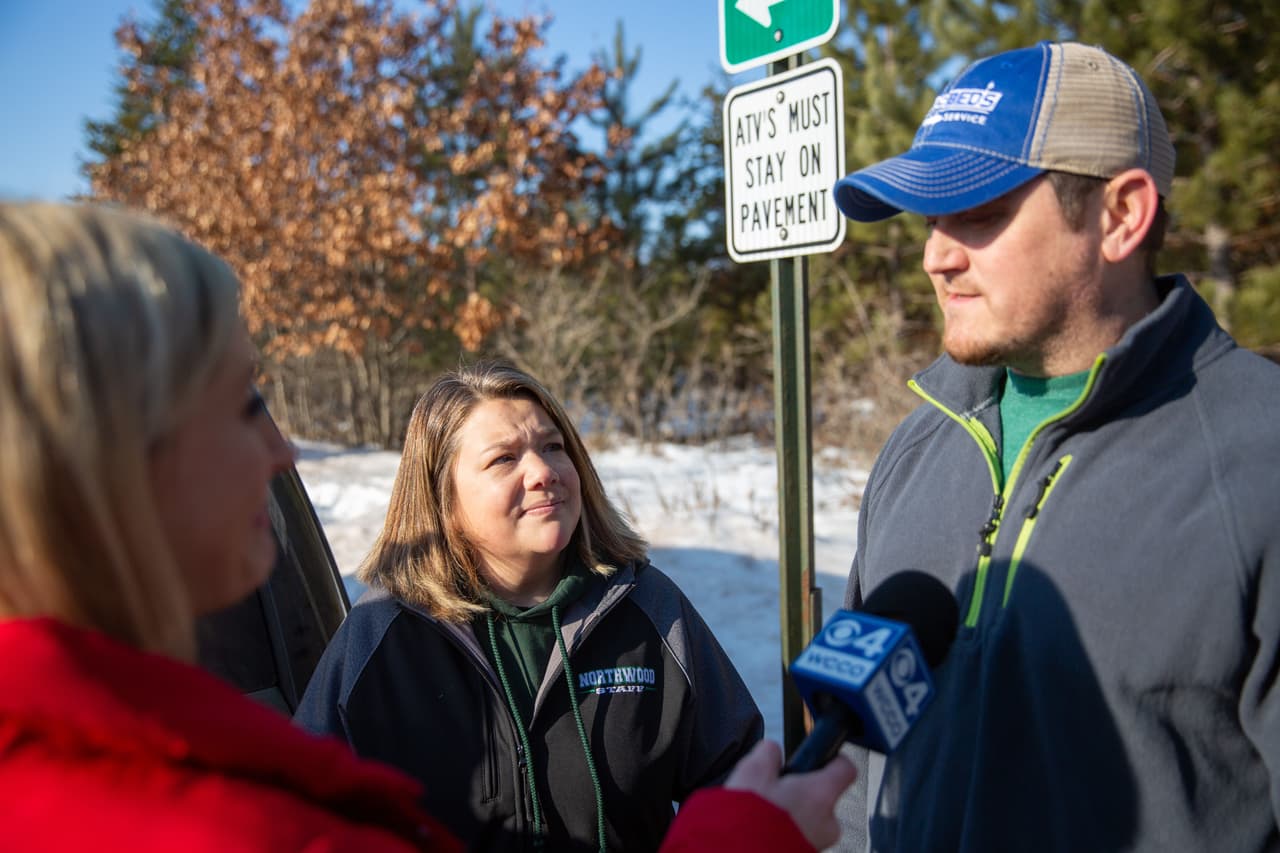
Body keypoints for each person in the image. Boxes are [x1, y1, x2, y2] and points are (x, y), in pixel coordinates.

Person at [0, 200, 856, 853]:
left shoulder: (647, 607)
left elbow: (731, 762)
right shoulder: (361, 659)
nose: (284, 445)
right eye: (242, 401)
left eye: (553, 445)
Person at [830, 40, 1280, 851]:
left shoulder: (1261, 456)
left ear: (1121, 215)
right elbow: (866, 768)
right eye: (931, 218)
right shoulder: (917, 445)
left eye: (978, 209)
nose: (936, 254)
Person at [295, 360, 768, 852]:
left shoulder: (647, 605)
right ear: (444, 500)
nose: (543, 472)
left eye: (553, 447)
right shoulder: (380, 634)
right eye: (504, 459)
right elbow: (299, 817)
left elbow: (740, 781)